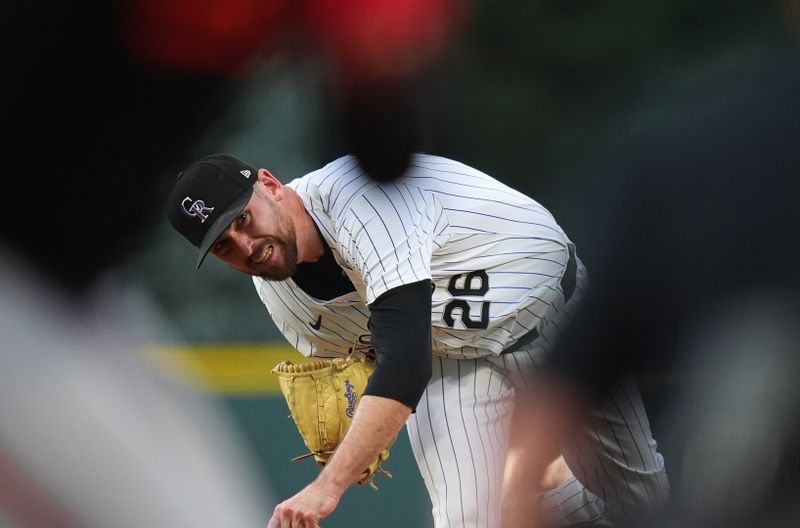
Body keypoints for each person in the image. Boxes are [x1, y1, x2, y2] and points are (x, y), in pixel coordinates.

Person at [166, 152, 670, 527]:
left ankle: (546, 498)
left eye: (242, 220)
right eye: (224, 246)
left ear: (271, 185)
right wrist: (355, 426)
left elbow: (403, 367)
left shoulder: (360, 192)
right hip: (451, 360)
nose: (247, 247)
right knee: (464, 518)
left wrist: (328, 485)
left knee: (637, 501)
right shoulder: (280, 296)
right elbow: (381, 367)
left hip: (550, 314)